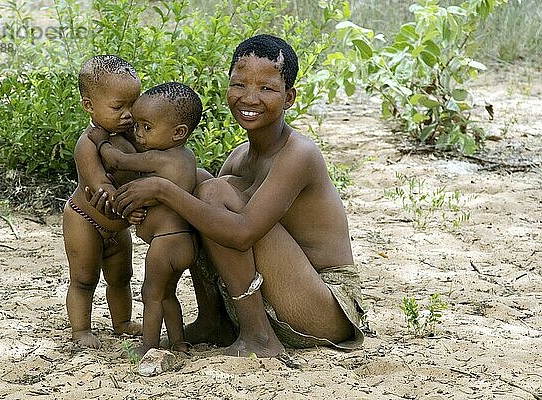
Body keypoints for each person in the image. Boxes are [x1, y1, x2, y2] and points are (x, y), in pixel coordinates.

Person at [90, 34, 365, 357]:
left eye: (266, 88)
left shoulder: (299, 154)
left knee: (209, 190)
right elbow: (209, 231)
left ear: (289, 98)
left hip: (325, 307)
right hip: (284, 298)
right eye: (239, 85)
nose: (249, 97)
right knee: (201, 184)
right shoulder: (238, 157)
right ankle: (214, 320)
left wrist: (163, 188)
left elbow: (242, 233)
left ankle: (259, 337)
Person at [87, 82, 203, 356]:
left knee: (151, 295)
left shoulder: (159, 159)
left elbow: (117, 161)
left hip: (164, 244)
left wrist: (100, 140)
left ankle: (148, 345)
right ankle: (179, 342)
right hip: (185, 242)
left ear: (178, 133)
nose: (138, 133)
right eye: (136, 125)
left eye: (146, 127)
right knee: (168, 295)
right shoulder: (186, 158)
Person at [63, 54, 145, 349]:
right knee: (84, 278)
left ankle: (121, 322)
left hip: (117, 227)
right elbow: (100, 188)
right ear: (89, 106)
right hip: (85, 220)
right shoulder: (87, 145)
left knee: (122, 277)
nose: (128, 114)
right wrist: (132, 205)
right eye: (117, 107)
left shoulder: (133, 137)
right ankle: (81, 329)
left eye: (133, 105)